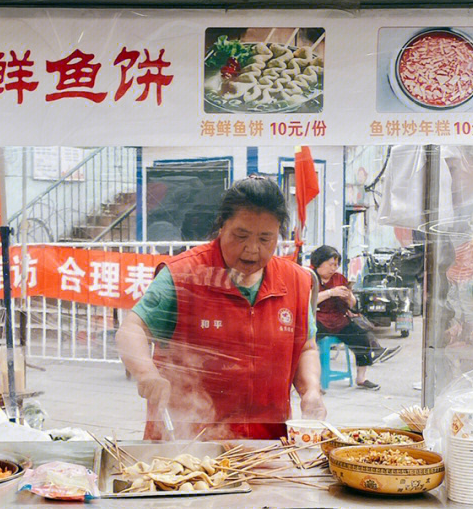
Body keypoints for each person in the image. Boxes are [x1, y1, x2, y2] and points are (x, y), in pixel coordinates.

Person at [117, 177, 325, 439]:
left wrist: (312, 390)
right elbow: (132, 328)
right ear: (221, 227)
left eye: (265, 238)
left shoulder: (295, 281)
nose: (252, 249)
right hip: (186, 444)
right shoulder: (183, 274)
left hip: (266, 446)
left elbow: (305, 346)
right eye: (241, 236)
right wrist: (146, 374)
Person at [308, 245, 395, 391]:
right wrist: (330, 293)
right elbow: (308, 300)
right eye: (330, 264)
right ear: (319, 262)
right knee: (309, 345)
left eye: (336, 265)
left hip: (338, 320)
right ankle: (312, 382)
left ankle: (361, 378)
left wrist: (349, 297)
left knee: (361, 337)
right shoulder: (309, 277)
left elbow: (353, 305)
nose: (333, 268)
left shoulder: (339, 278)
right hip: (317, 320)